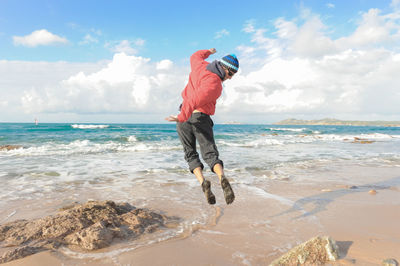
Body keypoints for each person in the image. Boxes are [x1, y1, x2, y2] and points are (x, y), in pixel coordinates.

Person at [165, 48, 239, 205]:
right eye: (230, 74)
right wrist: (183, 115)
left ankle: (203, 183)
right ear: (224, 68)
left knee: (190, 153)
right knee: (210, 153)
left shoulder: (200, 65)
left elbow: (195, 55)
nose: (230, 78)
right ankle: (222, 178)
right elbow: (194, 100)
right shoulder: (215, 85)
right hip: (199, 117)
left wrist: (209, 51)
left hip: (183, 119)